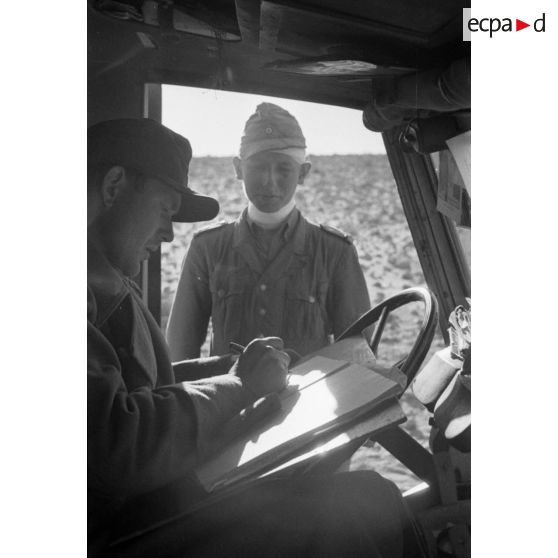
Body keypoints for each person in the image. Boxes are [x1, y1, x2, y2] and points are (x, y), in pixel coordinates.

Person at [88, 117, 428, 557]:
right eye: (165, 211)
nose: (171, 233)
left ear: (302, 174)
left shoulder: (103, 278)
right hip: (125, 525)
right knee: (366, 502)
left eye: (284, 169)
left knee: (363, 496)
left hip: (158, 496)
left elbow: (149, 382)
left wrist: (226, 371)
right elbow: (116, 442)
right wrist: (239, 385)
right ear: (114, 186)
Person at [166, 102, 371, 362]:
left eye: (283, 168)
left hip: (310, 402)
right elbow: (179, 356)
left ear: (303, 173)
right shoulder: (207, 248)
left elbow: (359, 361)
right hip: (227, 402)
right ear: (238, 169)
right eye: (258, 167)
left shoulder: (335, 252)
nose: (268, 181)